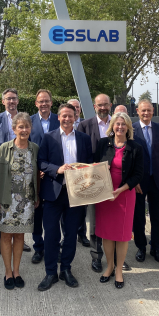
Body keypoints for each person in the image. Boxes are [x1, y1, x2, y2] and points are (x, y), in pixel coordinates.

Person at [37, 103, 92, 291]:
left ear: (76, 117)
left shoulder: (84, 139)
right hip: (53, 193)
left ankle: (66, 269)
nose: (68, 119)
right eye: (64, 116)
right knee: (51, 234)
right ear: (58, 117)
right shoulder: (48, 137)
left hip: (76, 194)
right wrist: (57, 169)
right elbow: (41, 162)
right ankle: (50, 272)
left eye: (71, 116)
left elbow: (90, 163)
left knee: (70, 235)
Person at [78, 94, 134, 272]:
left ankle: (118, 259)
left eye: (105, 105)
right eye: (99, 105)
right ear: (94, 106)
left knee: (117, 224)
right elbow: (83, 154)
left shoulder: (119, 122)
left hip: (120, 185)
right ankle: (96, 256)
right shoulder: (85, 125)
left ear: (110, 105)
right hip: (95, 182)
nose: (103, 108)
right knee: (96, 223)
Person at [0, 113, 40, 289]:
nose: (24, 130)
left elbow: (37, 176)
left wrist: (37, 196)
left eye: (27, 126)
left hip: (26, 202)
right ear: (14, 129)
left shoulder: (35, 148)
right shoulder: (3, 148)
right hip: (5, 201)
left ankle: (17, 271)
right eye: (20, 127)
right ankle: (8, 272)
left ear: (30, 128)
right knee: (5, 236)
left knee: (19, 236)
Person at [94, 113, 143, 288]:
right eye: (117, 124)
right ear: (112, 126)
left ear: (128, 127)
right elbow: (94, 166)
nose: (120, 127)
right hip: (105, 195)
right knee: (107, 234)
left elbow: (138, 174)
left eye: (123, 124)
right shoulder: (102, 144)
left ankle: (119, 270)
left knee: (122, 235)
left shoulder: (136, 147)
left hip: (124, 194)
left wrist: (121, 190)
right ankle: (109, 267)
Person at [0, 89, 30, 256]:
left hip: (20, 172)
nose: (11, 102)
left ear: (18, 101)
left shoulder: (24, 118)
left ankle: (20, 239)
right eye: (8, 99)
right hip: (1, 170)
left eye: (14, 99)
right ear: (3, 101)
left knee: (19, 206)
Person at [132, 100, 159, 263]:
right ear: (137, 111)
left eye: (149, 110)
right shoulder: (131, 129)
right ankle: (141, 247)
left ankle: (156, 247)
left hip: (157, 179)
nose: (146, 113)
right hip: (139, 181)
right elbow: (129, 157)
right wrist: (133, 181)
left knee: (156, 216)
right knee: (138, 217)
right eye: (143, 110)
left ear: (153, 111)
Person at [29, 89, 60, 264]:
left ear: (51, 103)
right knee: (37, 213)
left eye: (47, 101)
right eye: (41, 101)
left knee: (55, 215)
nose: (44, 104)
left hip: (55, 174)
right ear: (36, 103)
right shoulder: (30, 121)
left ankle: (54, 247)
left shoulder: (60, 119)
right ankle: (38, 247)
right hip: (36, 176)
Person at [63, 98, 89, 247]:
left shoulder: (84, 125)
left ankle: (81, 234)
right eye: (72, 107)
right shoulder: (61, 126)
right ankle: (66, 236)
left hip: (80, 178)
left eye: (77, 108)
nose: (75, 110)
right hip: (64, 179)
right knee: (65, 213)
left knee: (81, 210)